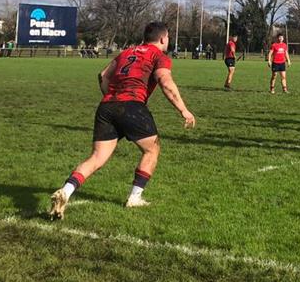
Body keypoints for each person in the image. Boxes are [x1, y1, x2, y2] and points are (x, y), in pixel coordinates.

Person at [48, 22, 198, 218]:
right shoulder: (159, 56)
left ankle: (65, 191)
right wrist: (184, 110)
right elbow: (166, 83)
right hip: (132, 105)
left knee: (97, 158)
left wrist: (112, 97)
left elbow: (103, 76)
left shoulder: (126, 52)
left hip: (107, 106)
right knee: (152, 149)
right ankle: (135, 198)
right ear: (163, 39)